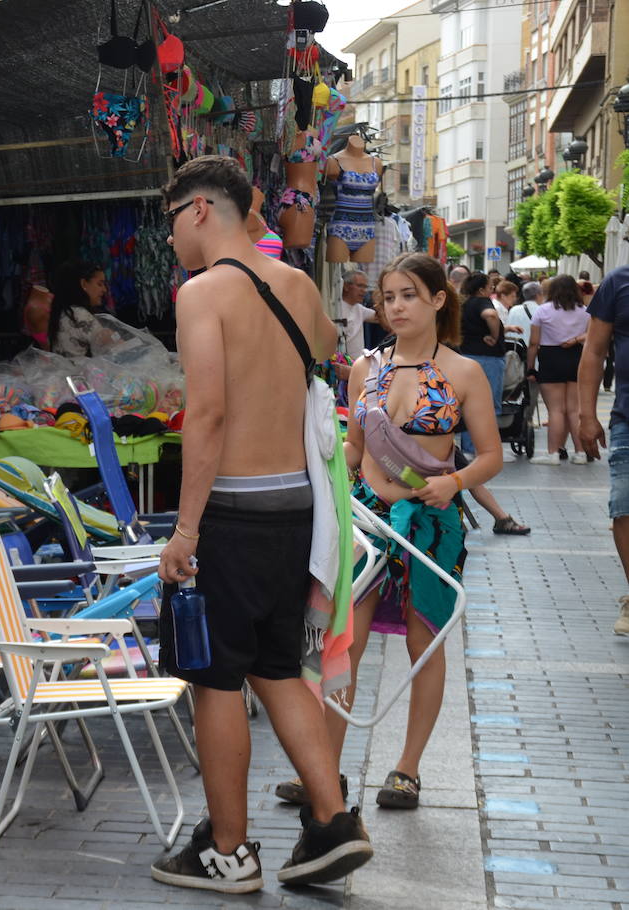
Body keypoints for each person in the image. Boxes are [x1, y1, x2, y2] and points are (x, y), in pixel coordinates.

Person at [151, 156, 372, 894]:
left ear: (201, 211)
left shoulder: (201, 294)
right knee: (277, 666)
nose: (171, 237)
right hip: (297, 511)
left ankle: (228, 849)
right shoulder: (299, 285)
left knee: (215, 678)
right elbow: (322, 364)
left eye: (171, 220)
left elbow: (207, 414)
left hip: (234, 513)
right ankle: (333, 820)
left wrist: (184, 532)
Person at [278, 252, 502, 815]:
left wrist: (454, 481)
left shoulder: (464, 372)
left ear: (436, 300)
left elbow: (492, 456)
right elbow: (355, 449)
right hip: (368, 521)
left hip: (431, 525)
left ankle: (407, 769)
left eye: (407, 295)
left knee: (422, 644)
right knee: (341, 643)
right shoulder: (365, 368)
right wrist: (328, 466)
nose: (395, 306)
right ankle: (324, 772)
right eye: (388, 297)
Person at [577, 264, 629, 635]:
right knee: (624, 509)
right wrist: (587, 415)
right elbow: (594, 351)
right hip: (628, 416)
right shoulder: (618, 281)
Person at [528, 275, 590, 465]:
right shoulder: (585, 311)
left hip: (550, 358)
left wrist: (530, 366)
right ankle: (580, 453)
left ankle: (553, 453)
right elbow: (592, 335)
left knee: (555, 410)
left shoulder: (542, 311)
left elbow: (533, 342)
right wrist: (576, 339)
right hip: (576, 357)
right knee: (574, 410)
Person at [457, 271, 506, 456]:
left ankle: (468, 448)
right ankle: (488, 449)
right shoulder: (482, 302)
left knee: (468, 405)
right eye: (489, 287)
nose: (491, 290)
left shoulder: (464, 304)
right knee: (489, 406)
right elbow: (491, 316)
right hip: (488, 359)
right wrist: (495, 336)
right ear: (481, 289)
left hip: (467, 356)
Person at [48, 260, 108, 358]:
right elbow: (110, 345)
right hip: (79, 372)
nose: (104, 290)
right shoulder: (80, 315)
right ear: (84, 284)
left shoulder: (65, 312)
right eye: (99, 284)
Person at [336, 268, 377, 381]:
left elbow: (383, 318)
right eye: (360, 286)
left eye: (365, 287)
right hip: (340, 368)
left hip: (356, 367)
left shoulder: (359, 309)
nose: (364, 291)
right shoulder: (335, 308)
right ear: (346, 286)